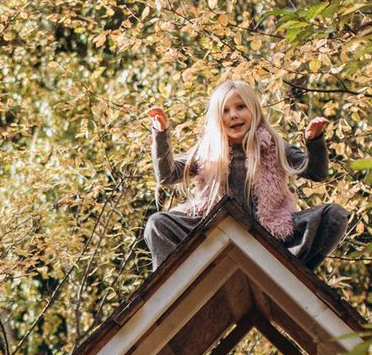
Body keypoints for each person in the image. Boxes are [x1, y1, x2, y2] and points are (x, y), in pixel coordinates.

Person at [142, 79, 350, 270]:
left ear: (254, 110)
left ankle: (292, 270)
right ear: (217, 118)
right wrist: (161, 134)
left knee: (334, 216)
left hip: (270, 233)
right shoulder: (208, 149)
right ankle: (178, 282)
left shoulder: (273, 144)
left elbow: (316, 172)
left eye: (240, 107)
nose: (234, 115)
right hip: (215, 229)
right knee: (157, 224)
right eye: (226, 110)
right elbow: (167, 175)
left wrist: (314, 141)